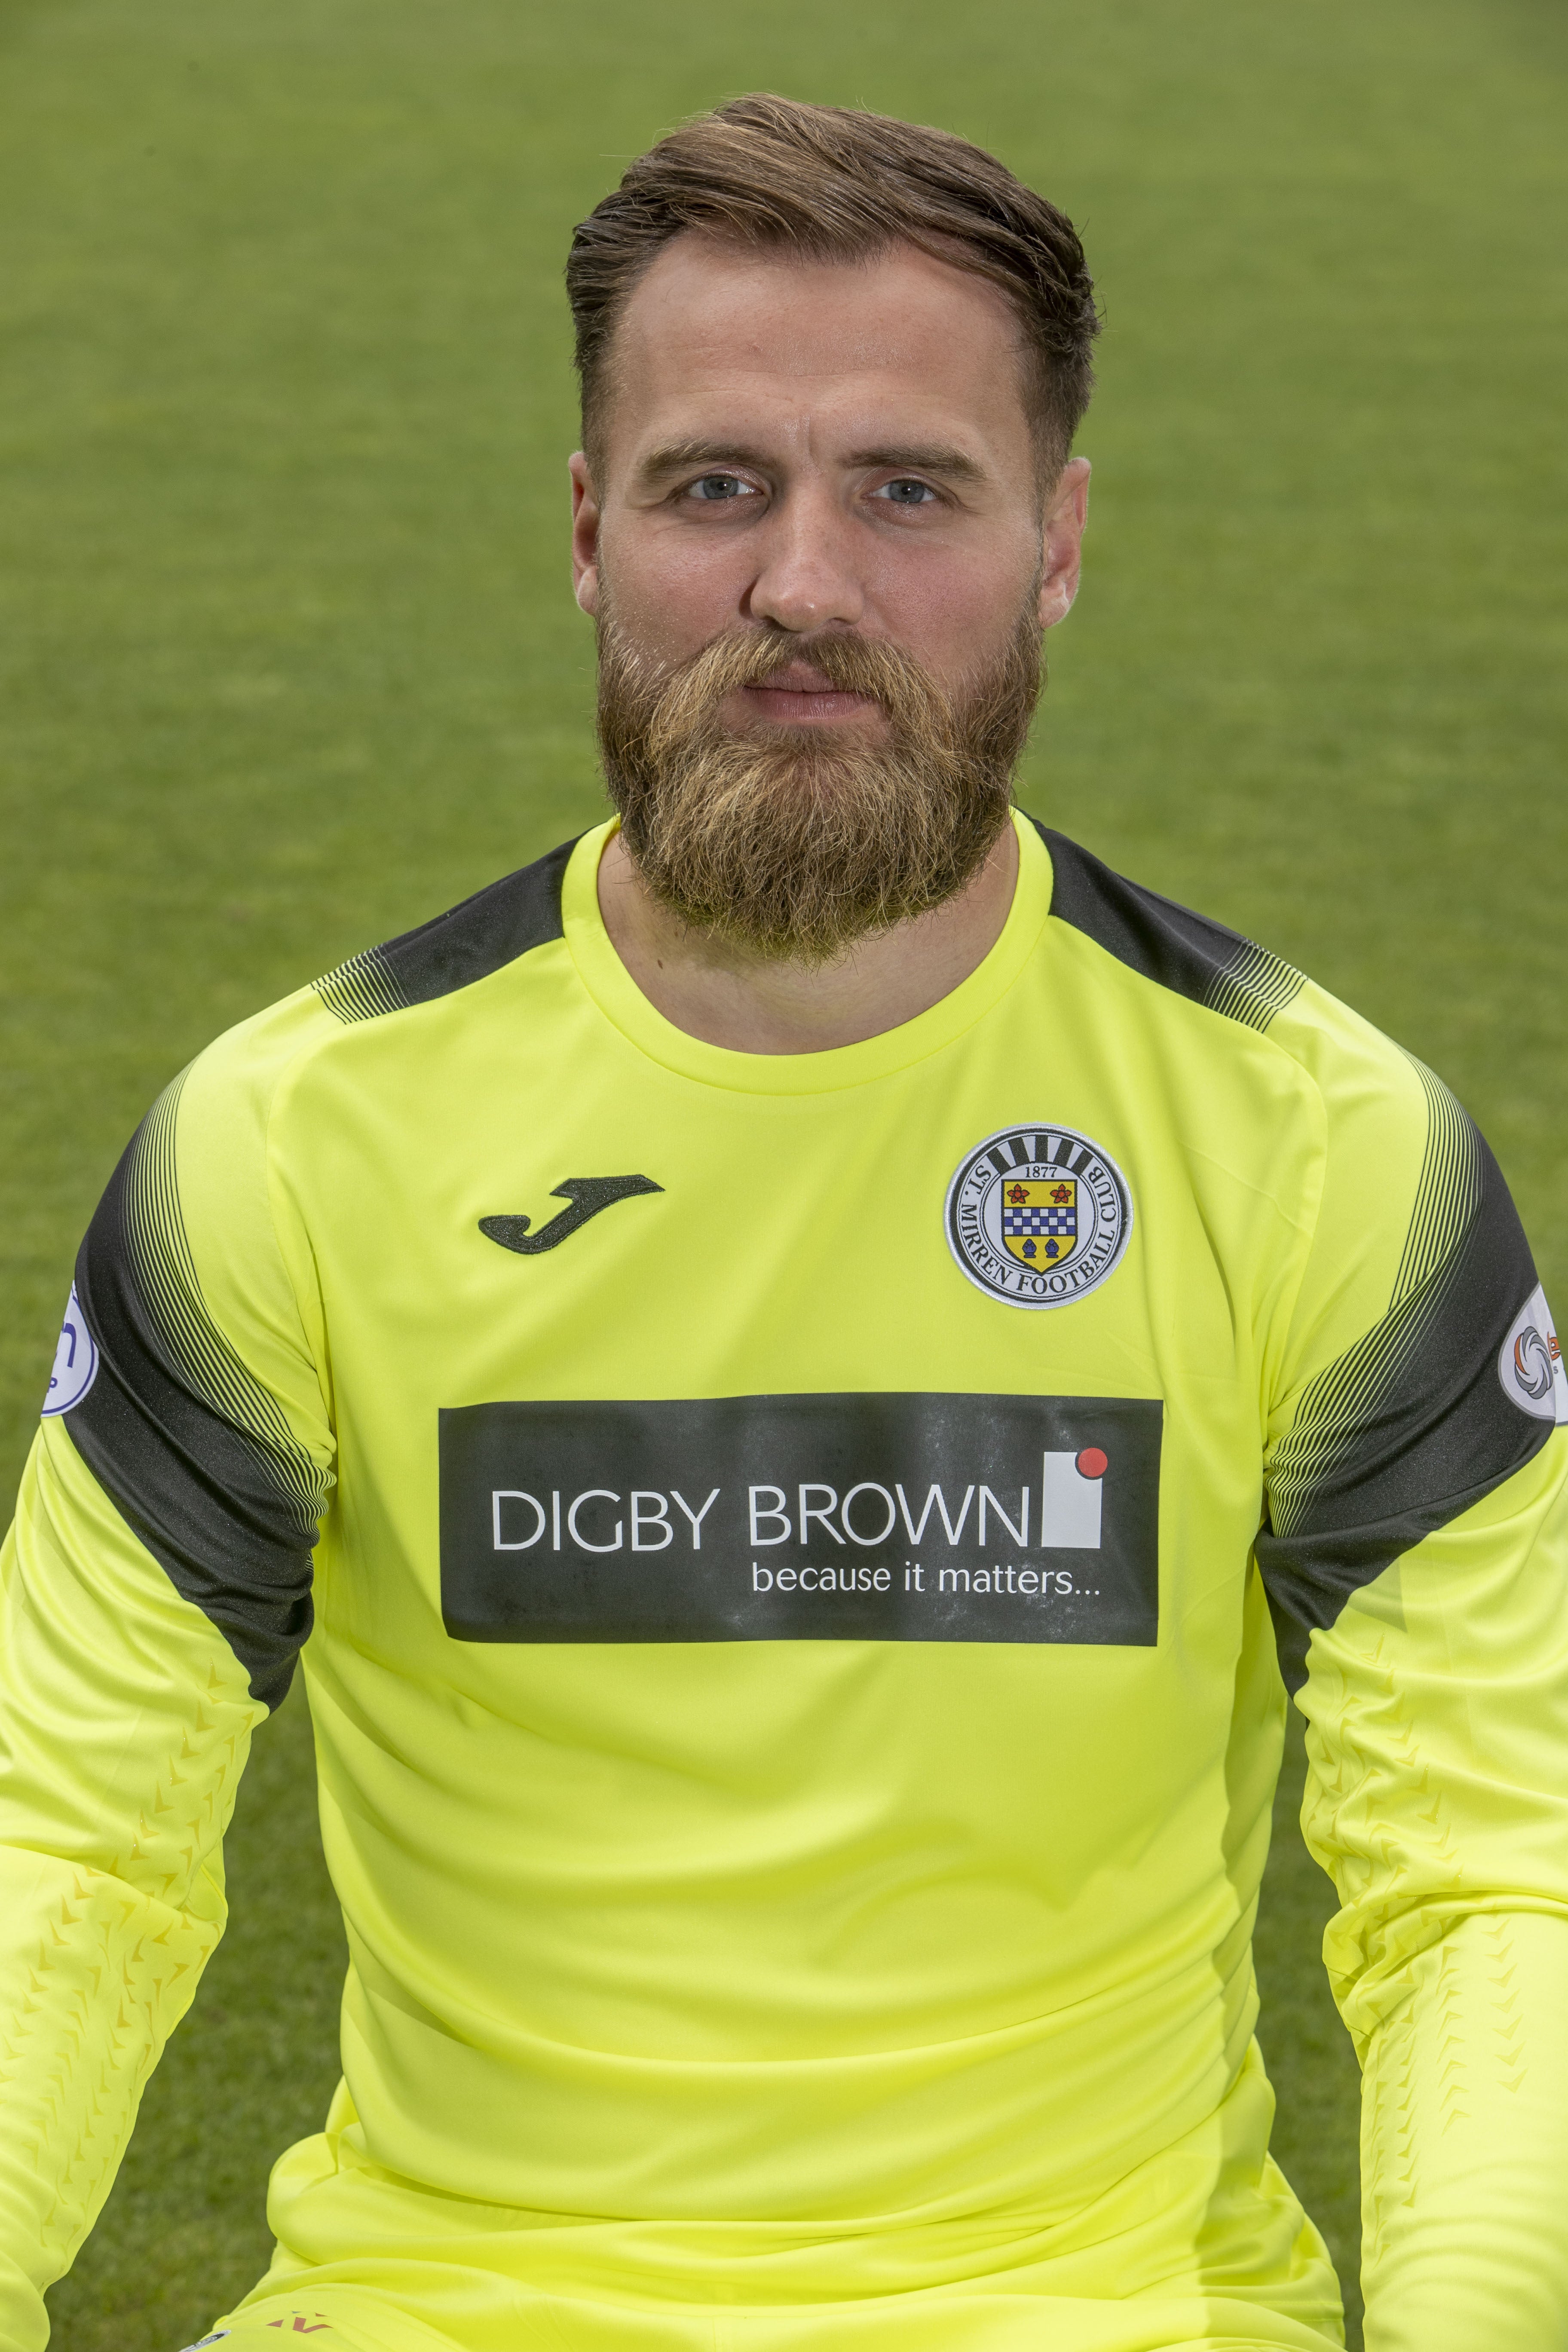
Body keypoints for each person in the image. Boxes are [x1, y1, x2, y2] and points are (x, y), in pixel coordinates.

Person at [1, 92, 1565, 2352]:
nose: (803, 587)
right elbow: (69, 1851)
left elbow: (1492, 1885)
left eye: (909, 491)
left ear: (1059, 540)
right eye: (715, 485)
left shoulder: (1326, 1151)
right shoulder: (291, 1142)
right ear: (586, 530)